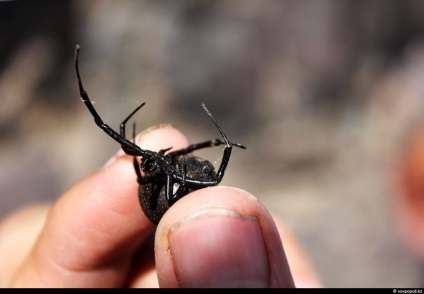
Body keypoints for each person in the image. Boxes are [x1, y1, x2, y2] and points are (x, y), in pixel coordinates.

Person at [0, 124, 322, 288]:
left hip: (183, 185)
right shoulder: (153, 175)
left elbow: (158, 174)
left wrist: (217, 148)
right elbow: (142, 179)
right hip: (170, 194)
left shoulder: (162, 168)